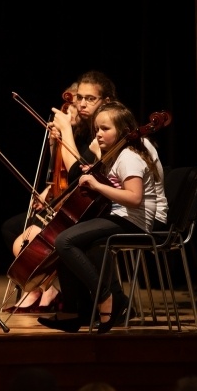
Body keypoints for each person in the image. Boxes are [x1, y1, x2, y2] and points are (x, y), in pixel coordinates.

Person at [37, 102, 167, 334]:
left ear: (124, 132)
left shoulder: (129, 156)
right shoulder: (115, 155)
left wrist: (96, 184)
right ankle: (75, 311)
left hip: (134, 222)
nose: (98, 134)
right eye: (97, 128)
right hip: (118, 216)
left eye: (105, 129)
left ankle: (106, 299)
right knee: (67, 243)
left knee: (64, 241)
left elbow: (134, 198)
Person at [2, 72, 117, 313]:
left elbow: (77, 173)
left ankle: (69, 297)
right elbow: (67, 176)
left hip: (104, 207)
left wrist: (65, 132)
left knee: (51, 238)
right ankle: (48, 291)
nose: (81, 104)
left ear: (105, 101)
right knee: (16, 230)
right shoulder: (88, 129)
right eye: (80, 99)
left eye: (89, 99)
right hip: (82, 204)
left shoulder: (104, 131)